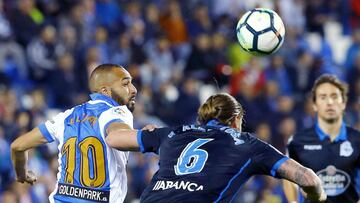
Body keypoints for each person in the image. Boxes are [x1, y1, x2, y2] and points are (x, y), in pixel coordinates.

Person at [105, 93, 326, 202]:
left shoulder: (172, 133)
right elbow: (307, 178)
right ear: (236, 119)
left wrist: (145, 133)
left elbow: (114, 138)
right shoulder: (248, 144)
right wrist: (318, 198)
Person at [11, 64, 137, 203]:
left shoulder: (65, 117)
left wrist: (22, 175)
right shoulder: (119, 111)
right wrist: (149, 137)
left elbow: (18, 146)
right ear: (105, 91)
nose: (133, 89)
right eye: (125, 84)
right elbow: (118, 134)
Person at [283, 74, 360, 203]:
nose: (329, 102)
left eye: (334, 97)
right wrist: (293, 202)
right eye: (323, 97)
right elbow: (287, 176)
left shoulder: (357, 140)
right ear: (314, 105)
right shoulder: (297, 142)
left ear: (344, 103)